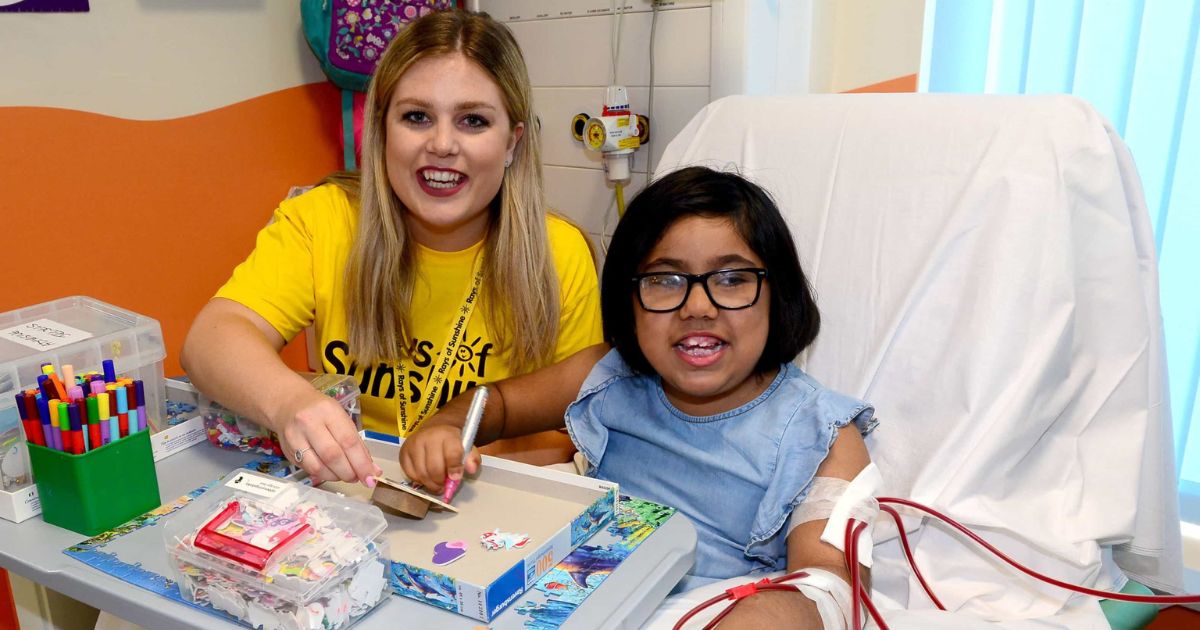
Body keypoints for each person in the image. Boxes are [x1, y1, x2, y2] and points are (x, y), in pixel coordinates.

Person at [401, 166, 877, 626]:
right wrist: (447, 427)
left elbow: (831, 586)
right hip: (569, 597)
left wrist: (766, 615)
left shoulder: (823, 436)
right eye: (665, 280)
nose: (698, 307)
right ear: (628, 300)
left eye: (732, 279)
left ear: (780, 294)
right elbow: (497, 406)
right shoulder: (606, 375)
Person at [180, 10, 602, 487]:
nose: (442, 144)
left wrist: (461, 481)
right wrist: (288, 402)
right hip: (349, 492)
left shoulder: (558, 252)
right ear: (382, 132)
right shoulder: (325, 219)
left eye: (473, 121)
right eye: (417, 117)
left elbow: (568, 430)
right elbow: (210, 340)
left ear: (512, 143)